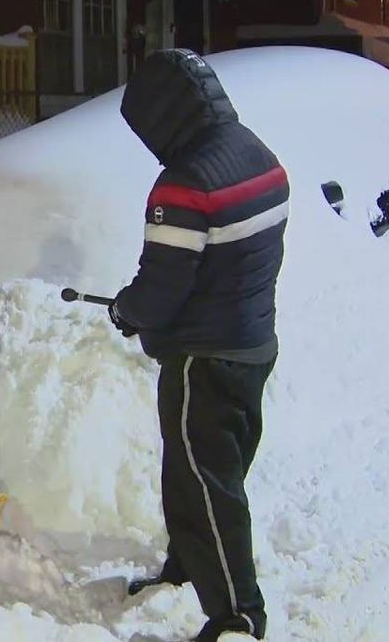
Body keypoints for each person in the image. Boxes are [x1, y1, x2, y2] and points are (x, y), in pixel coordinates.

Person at [111, 49, 288, 641]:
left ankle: (238, 617)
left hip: (204, 361)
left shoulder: (185, 184)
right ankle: (188, 569)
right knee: (194, 474)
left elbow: (161, 289)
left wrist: (126, 311)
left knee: (209, 487)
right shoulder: (254, 151)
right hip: (253, 345)